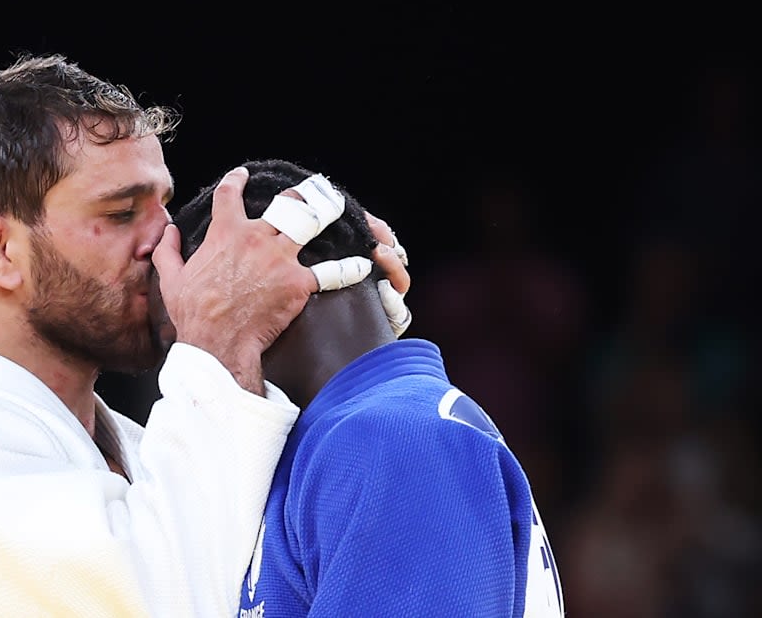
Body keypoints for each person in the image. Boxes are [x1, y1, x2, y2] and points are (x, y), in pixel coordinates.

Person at [0, 54, 413, 617]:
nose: (167, 240)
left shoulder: (138, 445)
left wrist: (337, 328)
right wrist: (223, 340)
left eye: (163, 207)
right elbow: (176, 602)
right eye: (121, 214)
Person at [160, 158, 564, 617]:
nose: (189, 335)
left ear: (296, 258)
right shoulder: (357, 437)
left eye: (203, 299)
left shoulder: (391, 439)